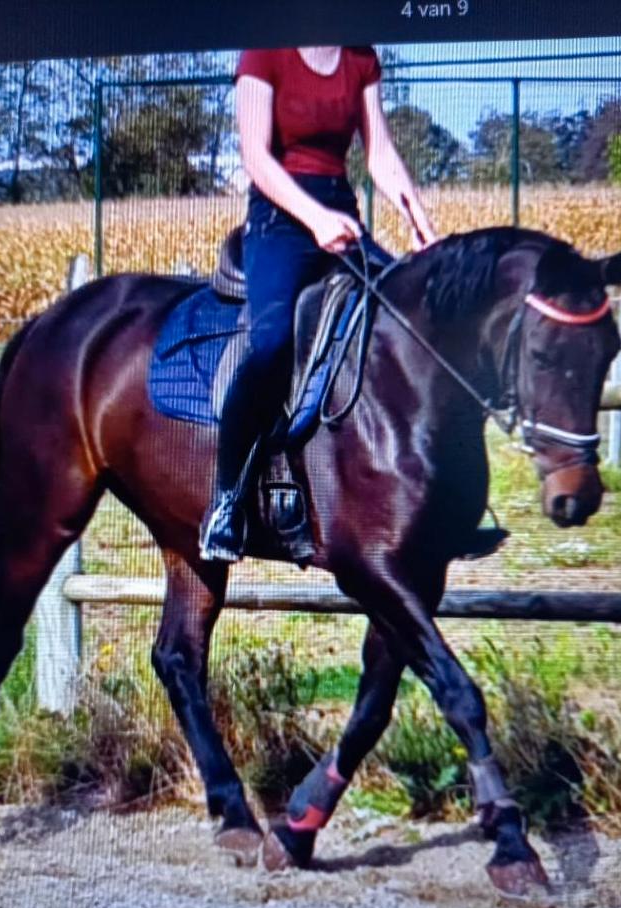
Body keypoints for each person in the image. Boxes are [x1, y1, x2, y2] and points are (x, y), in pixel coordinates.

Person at [200, 46, 436, 562]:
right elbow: (256, 158)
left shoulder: (361, 58)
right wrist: (314, 219)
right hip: (279, 221)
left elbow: (379, 154)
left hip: (341, 215)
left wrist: (419, 220)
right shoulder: (263, 55)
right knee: (271, 343)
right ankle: (226, 501)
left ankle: (427, 492)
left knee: (409, 319)